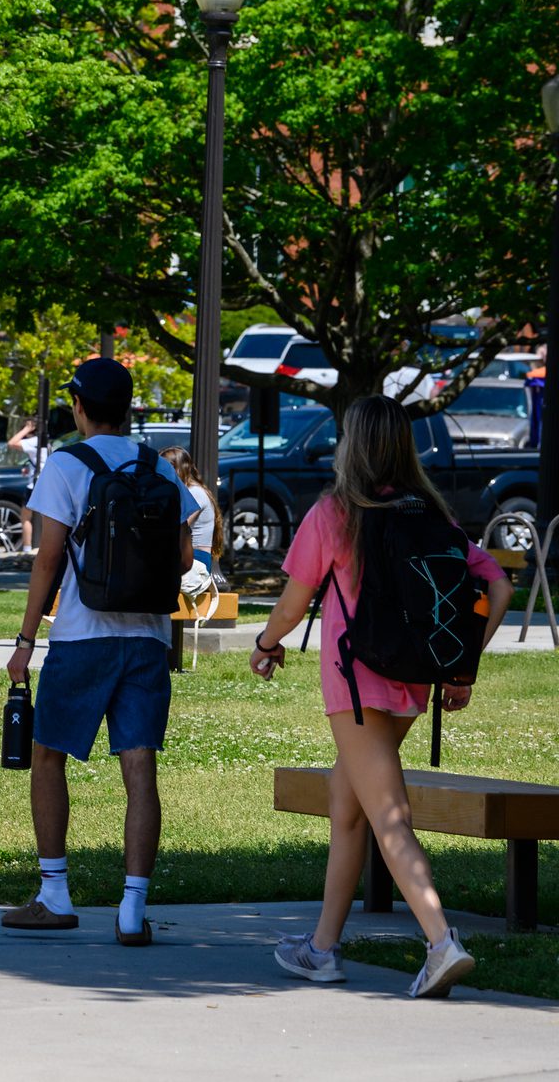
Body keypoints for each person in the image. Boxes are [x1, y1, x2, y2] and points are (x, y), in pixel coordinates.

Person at [249, 396, 511, 998]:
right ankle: (321, 950)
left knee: (389, 817)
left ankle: (441, 943)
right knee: (349, 805)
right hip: (410, 684)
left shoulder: (335, 513)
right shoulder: (430, 514)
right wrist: (461, 667)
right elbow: (496, 583)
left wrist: (266, 643)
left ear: (352, 445)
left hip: (356, 686)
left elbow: (293, 603)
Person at [2, 358, 196, 944]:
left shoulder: (66, 465)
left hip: (84, 637)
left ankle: (54, 893)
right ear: (131, 406)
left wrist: (25, 638)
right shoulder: (158, 467)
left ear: (81, 406)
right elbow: (186, 559)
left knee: (48, 756)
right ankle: (133, 907)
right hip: (147, 639)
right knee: (139, 769)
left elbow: (48, 559)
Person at [159, 447, 220, 574]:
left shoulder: (194, 493)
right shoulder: (187, 491)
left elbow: (176, 526)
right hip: (185, 556)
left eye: (163, 469)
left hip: (196, 560)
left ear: (176, 468)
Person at [8, 418, 46, 554]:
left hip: (34, 485)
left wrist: (26, 429)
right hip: (46, 482)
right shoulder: (46, 442)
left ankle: (27, 548)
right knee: (45, 517)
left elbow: (11, 443)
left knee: (25, 517)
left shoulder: (33, 441)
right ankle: (43, 547)